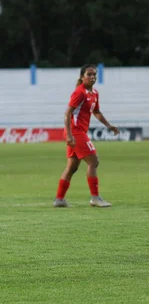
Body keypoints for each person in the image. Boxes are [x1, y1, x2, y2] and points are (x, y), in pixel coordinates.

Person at [53, 65, 118, 208]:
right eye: (89, 74)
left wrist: (108, 125)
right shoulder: (79, 92)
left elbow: (97, 112)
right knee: (93, 161)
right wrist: (69, 135)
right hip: (75, 132)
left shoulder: (94, 93)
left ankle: (59, 199)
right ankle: (95, 198)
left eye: (94, 74)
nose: (92, 77)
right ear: (82, 77)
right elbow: (67, 113)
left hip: (77, 132)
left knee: (72, 167)